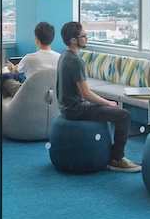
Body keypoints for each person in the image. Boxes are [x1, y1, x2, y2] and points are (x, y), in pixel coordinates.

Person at [56, 20, 141, 172]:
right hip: (76, 109)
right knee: (124, 115)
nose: (87, 38)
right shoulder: (75, 61)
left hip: (65, 107)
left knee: (113, 109)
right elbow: (86, 94)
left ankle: (115, 156)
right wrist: (107, 103)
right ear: (73, 40)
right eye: (84, 36)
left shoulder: (64, 56)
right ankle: (117, 158)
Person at [1, 20, 60, 96]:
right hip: (52, 96)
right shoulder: (59, 58)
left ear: (37, 39)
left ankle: (11, 106)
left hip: (30, 95)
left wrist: (11, 68)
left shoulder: (30, 58)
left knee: (6, 81)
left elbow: (16, 71)